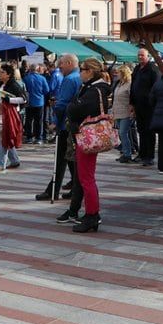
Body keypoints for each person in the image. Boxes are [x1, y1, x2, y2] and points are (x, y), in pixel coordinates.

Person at [58, 57, 111, 232]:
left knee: (86, 179)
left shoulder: (94, 90)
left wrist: (72, 106)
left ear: (89, 71)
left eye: (82, 69)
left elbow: (74, 109)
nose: (79, 72)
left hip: (87, 137)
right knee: (85, 177)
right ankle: (90, 214)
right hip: (84, 136)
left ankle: (92, 215)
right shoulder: (91, 87)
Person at [35, 54, 81, 200]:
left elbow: (62, 104)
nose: (59, 67)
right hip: (74, 123)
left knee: (61, 158)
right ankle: (76, 188)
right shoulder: (79, 77)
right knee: (70, 157)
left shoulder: (69, 79)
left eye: (61, 64)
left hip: (65, 124)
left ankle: (53, 191)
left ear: (69, 63)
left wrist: (55, 121)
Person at [130, 48, 159, 167]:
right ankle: (142, 154)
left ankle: (149, 156)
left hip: (149, 106)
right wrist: (131, 103)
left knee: (149, 131)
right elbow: (133, 85)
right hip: (138, 105)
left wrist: (151, 100)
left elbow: (156, 87)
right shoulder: (137, 68)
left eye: (142, 55)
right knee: (141, 130)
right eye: (139, 55)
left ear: (148, 56)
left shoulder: (152, 69)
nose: (140, 57)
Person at [0, 63, 24, 173]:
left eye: (3, 72)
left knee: (3, 138)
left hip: (10, 115)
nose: (0, 74)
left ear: (9, 74)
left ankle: (0, 164)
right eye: (0, 72)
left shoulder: (14, 85)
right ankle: (14, 160)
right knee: (6, 137)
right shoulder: (1, 84)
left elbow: (23, 99)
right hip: (1, 115)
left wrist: (9, 100)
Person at [112, 64, 134, 163]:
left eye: (119, 73)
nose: (117, 75)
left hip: (126, 112)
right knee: (121, 133)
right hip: (118, 112)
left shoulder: (129, 84)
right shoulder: (119, 84)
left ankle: (127, 154)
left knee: (123, 133)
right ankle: (125, 152)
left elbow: (132, 98)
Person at [23, 65, 49, 144]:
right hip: (39, 102)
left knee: (28, 120)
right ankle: (38, 138)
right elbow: (47, 90)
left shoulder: (26, 78)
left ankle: (29, 137)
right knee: (39, 121)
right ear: (37, 69)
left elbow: (23, 89)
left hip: (29, 102)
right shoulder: (42, 78)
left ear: (30, 70)